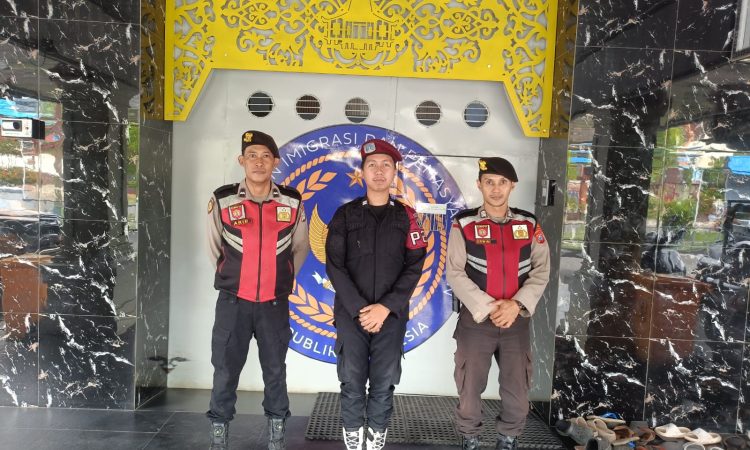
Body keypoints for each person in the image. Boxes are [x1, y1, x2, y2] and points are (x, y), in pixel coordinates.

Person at [205, 130, 310, 450]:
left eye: (266, 156)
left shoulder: (292, 200)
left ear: (275, 162)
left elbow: (300, 248)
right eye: (252, 156)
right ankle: (219, 434)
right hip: (233, 302)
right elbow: (215, 248)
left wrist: (280, 280)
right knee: (225, 369)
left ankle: (276, 435)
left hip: (274, 304)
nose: (259, 162)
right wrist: (234, 279)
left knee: (275, 370)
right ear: (242, 161)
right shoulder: (223, 199)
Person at [325, 139, 427, 450]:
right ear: (363, 171)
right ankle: (353, 431)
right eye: (372, 165)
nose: (379, 171)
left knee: (384, 378)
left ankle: (377, 433)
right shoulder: (345, 215)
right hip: (351, 313)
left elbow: (415, 265)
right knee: (352, 376)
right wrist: (360, 309)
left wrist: (385, 307)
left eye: (386, 165)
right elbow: (334, 265)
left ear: (395, 172)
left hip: (391, 315)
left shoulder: (407, 217)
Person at [446, 157, 550, 450]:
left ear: (512, 186)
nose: (495, 189)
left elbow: (541, 270)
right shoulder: (464, 223)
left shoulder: (528, 223)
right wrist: (490, 307)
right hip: (477, 321)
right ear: (479, 185)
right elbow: (454, 271)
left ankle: (508, 438)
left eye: (502, 182)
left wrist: (516, 305)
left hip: (516, 322)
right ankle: (470, 438)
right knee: (469, 387)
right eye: (489, 182)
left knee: (517, 390)